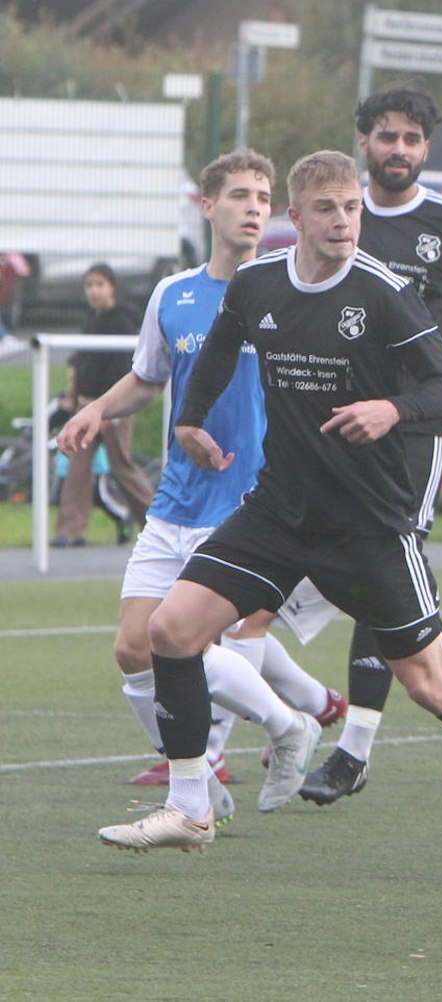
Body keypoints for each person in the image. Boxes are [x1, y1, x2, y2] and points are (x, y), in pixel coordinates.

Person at [92, 151, 442, 888]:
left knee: (432, 683)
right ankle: (190, 806)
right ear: (292, 219)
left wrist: (390, 407)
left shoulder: (384, 294)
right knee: (169, 630)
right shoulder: (259, 283)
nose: (343, 222)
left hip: (367, 520)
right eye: (326, 209)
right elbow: (222, 344)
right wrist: (190, 420)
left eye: (353, 208)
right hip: (279, 508)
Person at [64, 149, 346, 826]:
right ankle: (268, 732)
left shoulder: (287, 289)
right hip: (176, 499)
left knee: (197, 641)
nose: (254, 207)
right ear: (207, 206)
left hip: (254, 505)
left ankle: (245, 748)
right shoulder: (175, 294)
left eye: (263, 196)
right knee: (135, 647)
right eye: (240, 194)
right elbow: (149, 378)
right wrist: (98, 407)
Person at [297, 84, 442, 805]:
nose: (400, 150)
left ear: (426, 148)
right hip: (343, 426)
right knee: (393, 578)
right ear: (362, 141)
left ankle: (352, 750)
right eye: (387, 136)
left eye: (413, 140)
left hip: (420, 424)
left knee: (381, 563)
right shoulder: (340, 220)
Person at [56, 262, 153, 547]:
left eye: (99, 285)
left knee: (122, 467)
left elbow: (125, 370)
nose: (94, 291)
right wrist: (73, 395)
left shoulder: (122, 321)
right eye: (89, 285)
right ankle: (70, 530)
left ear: (112, 287)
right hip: (86, 408)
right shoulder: (92, 320)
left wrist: (112, 409)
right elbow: (79, 361)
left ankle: (155, 524)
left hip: (113, 410)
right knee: (77, 465)